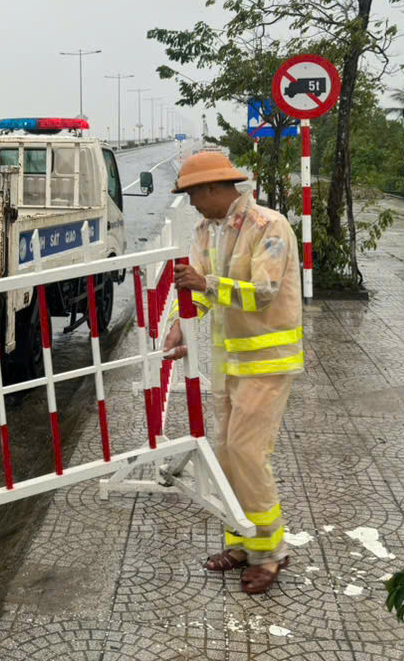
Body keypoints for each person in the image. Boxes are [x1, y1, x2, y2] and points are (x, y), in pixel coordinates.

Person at [162, 150, 303, 595]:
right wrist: (179, 329)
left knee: (245, 452)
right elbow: (197, 290)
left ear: (214, 188)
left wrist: (205, 286)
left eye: (193, 195)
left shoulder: (269, 226)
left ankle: (270, 552)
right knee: (226, 455)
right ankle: (242, 541)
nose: (191, 205)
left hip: (267, 362)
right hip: (228, 365)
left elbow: (263, 292)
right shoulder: (206, 231)